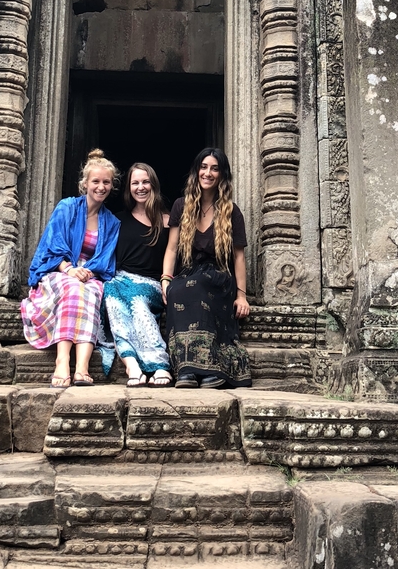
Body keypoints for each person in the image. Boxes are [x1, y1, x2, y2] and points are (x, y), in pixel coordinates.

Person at [21, 148, 120, 388]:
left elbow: (105, 258)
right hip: (59, 271)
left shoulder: (113, 222)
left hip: (91, 275)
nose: (101, 187)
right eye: (95, 181)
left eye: (106, 182)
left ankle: (82, 368)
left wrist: (88, 272)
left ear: (112, 185)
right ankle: (63, 361)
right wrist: (70, 270)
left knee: (91, 292)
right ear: (85, 183)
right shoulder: (67, 208)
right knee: (73, 288)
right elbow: (53, 246)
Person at [162, 147, 251, 389]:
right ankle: (186, 370)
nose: (208, 173)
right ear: (196, 171)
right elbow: (171, 248)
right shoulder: (181, 206)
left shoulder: (232, 212)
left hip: (219, 276)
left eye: (214, 168)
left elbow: (239, 258)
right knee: (178, 291)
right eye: (203, 167)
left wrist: (242, 296)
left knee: (199, 286)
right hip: (189, 271)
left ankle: (212, 368)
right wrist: (166, 279)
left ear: (222, 175)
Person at [103, 163, 173, 387]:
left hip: (151, 285)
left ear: (153, 185)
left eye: (145, 182)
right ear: (129, 188)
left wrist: (167, 283)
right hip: (121, 279)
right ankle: (131, 364)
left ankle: (159, 364)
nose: (140, 187)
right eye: (135, 183)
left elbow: (174, 257)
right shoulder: (117, 220)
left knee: (137, 301)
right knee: (112, 298)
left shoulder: (168, 221)